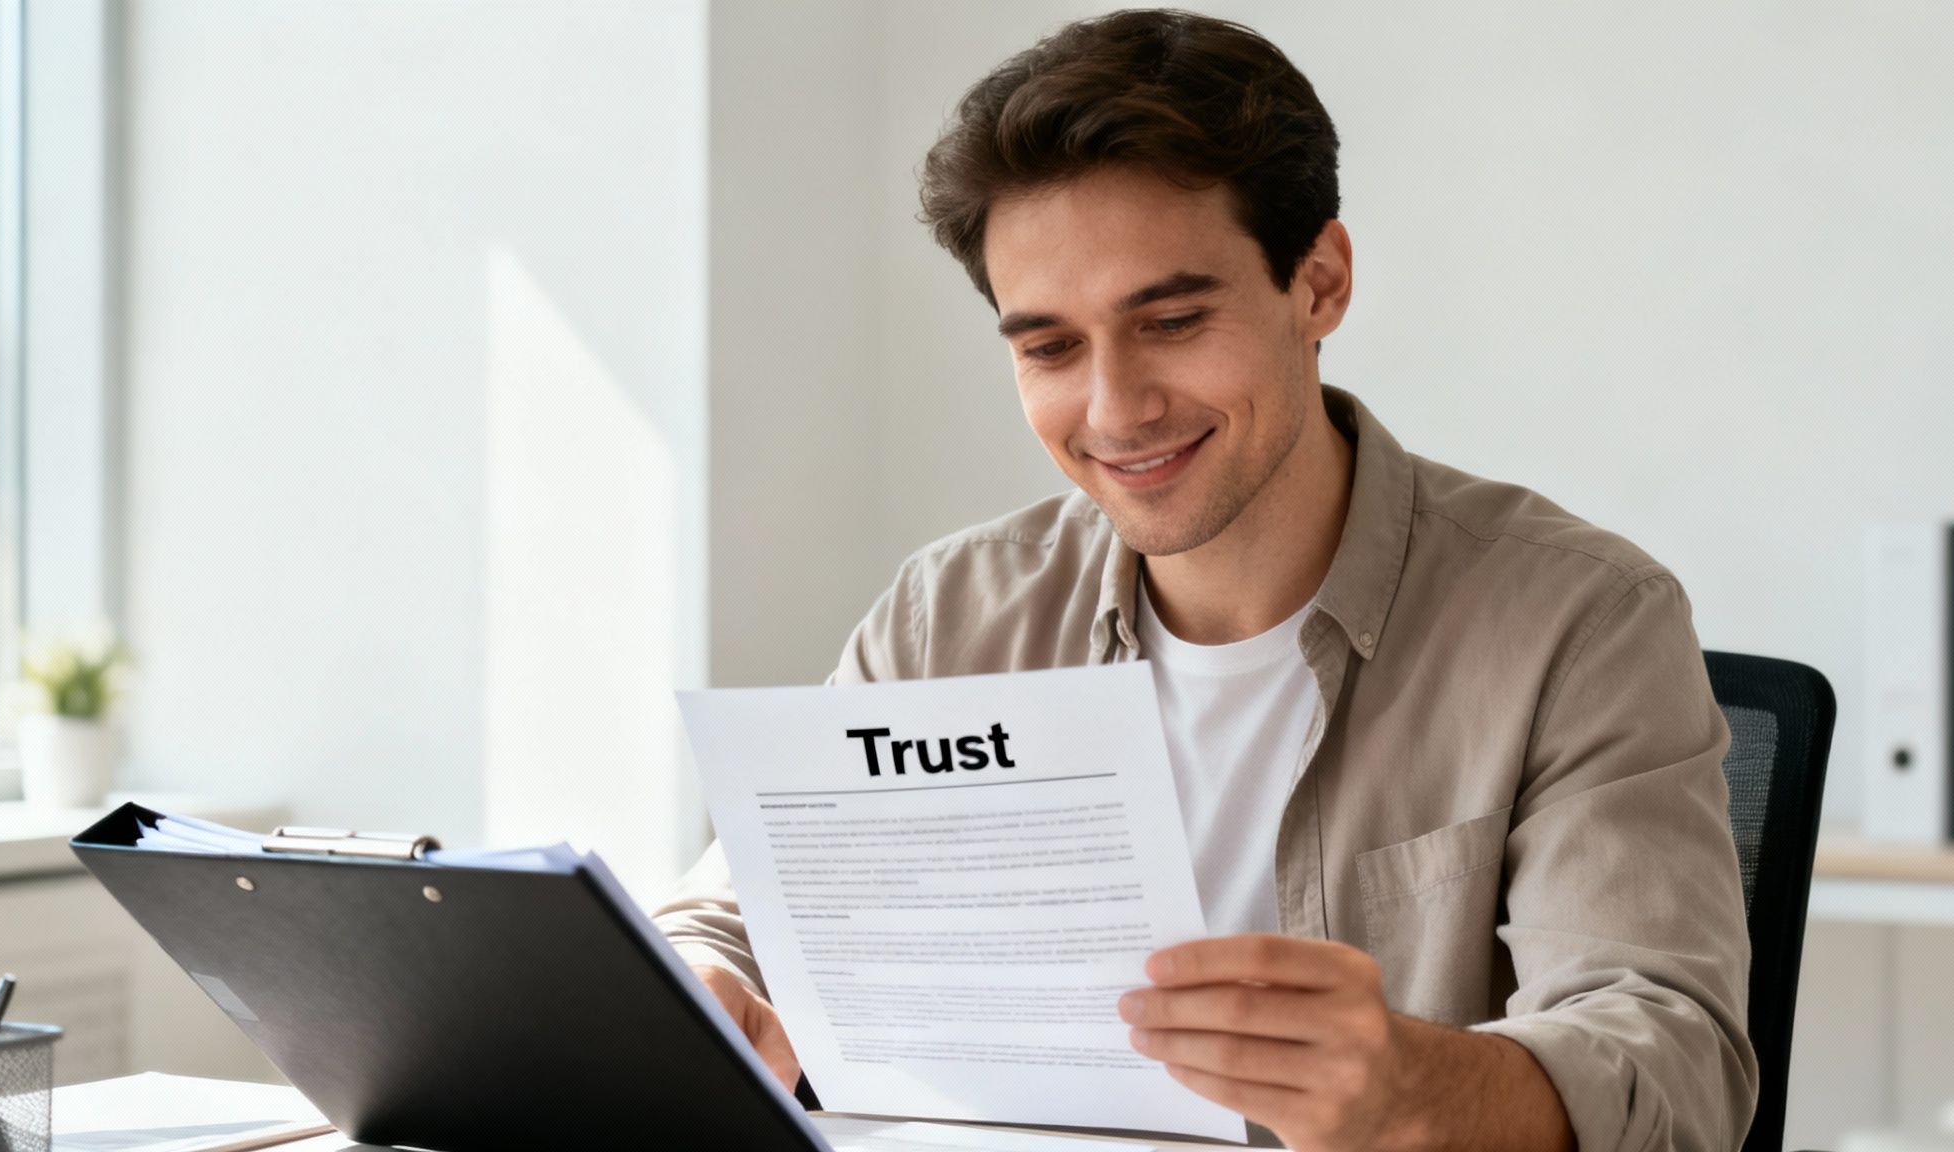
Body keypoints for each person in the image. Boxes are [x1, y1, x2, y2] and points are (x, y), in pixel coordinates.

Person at [655, 10, 1756, 1151]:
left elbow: (1670, 1065)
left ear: (1316, 284)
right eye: (1047, 348)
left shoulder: (1575, 620)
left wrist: (1412, 1086)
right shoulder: (950, 618)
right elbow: (735, 912)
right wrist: (703, 974)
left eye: (1171, 320)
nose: (1114, 409)